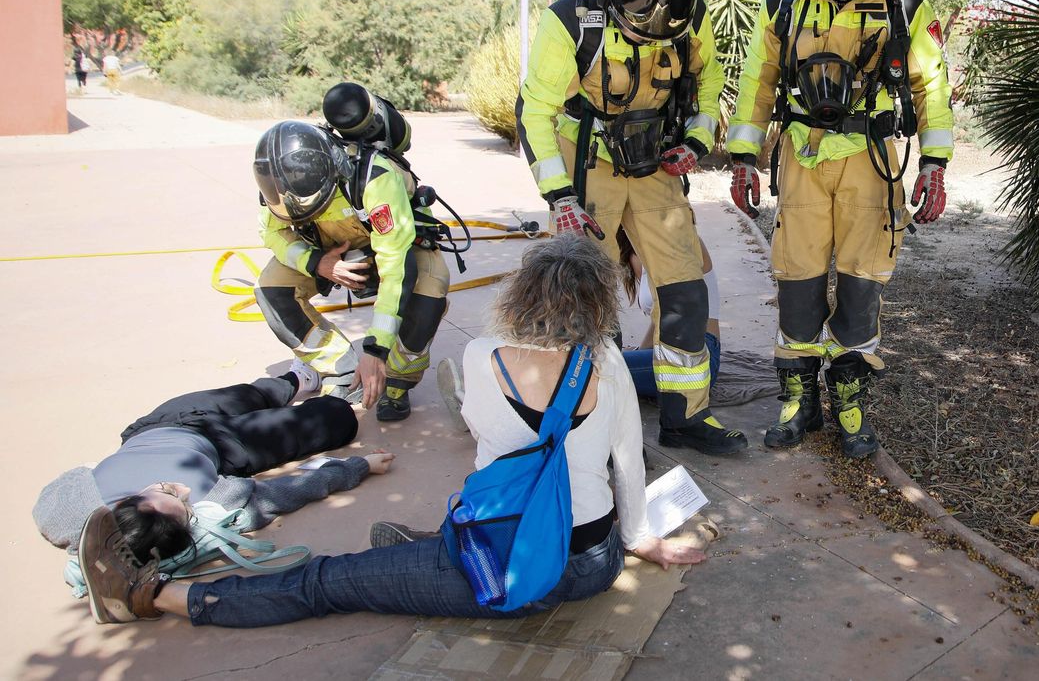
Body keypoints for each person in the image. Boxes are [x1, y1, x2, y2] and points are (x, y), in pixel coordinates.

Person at [74, 235, 704, 626]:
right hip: (592, 562)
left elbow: (487, 440)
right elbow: (628, 463)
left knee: (327, 582)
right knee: (440, 537)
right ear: (598, 305)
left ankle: (151, 596)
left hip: (510, 563)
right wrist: (640, 540)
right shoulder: (610, 362)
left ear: (522, 293)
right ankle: (421, 550)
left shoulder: (484, 355)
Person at [726, 0, 953, 458]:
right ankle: (798, 401)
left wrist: (934, 165)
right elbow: (757, 83)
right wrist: (745, 158)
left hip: (869, 163)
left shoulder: (902, 5)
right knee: (797, 281)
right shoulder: (783, 3)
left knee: (861, 284)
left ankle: (849, 403)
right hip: (802, 159)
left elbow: (931, 87)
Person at [515, 0, 746, 455]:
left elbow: (708, 80)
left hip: (654, 158)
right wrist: (560, 196)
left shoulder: (688, 14)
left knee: (686, 288)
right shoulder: (570, 20)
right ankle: (595, 427)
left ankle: (685, 418)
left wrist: (695, 140)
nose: (648, 39)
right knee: (586, 296)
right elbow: (534, 110)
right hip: (587, 161)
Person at [33, 361, 389, 568]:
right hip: (224, 445)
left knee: (248, 395)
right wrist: (358, 467)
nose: (182, 488)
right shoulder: (215, 503)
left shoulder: (74, 514)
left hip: (155, 425)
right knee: (337, 418)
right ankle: (328, 398)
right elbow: (289, 491)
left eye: (165, 489)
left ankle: (295, 380)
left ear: (127, 502)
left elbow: (55, 497)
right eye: (181, 501)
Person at [252, 87, 451, 422]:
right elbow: (273, 232)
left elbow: (396, 266)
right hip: (330, 254)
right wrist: (316, 263)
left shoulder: (375, 180)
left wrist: (375, 349)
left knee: (429, 292)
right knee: (271, 289)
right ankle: (341, 371)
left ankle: (397, 381)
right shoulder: (282, 182)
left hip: (398, 247)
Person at [617, 227, 721, 397]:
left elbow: (671, 309)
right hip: (668, 350)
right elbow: (660, 316)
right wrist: (639, 352)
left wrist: (637, 353)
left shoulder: (682, 238)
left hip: (698, 356)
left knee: (599, 371)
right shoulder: (635, 250)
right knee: (603, 364)